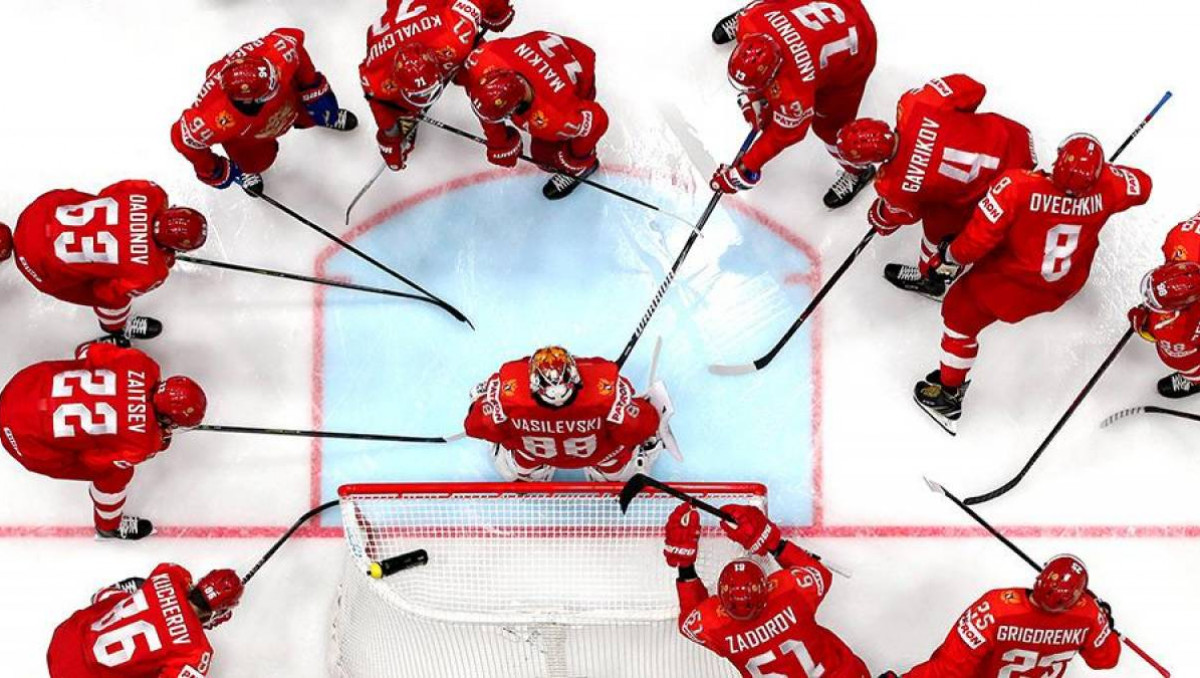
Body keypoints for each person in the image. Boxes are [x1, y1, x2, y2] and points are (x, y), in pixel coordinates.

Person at [914, 134, 1152, 434]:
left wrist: (948, 254)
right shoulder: (1110, 186)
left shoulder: (1017, 187)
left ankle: (948, 394)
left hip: (1015, 286)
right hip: (1067, 281)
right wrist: (1104, 177)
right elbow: (1143, 185)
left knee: (959, 315)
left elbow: (972, 245)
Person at [836, 74, 1037, 299]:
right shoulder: (916, 103)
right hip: (1017, 141)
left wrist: (880, 216)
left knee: (937, 229)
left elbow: (905, 215)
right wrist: (958, 126)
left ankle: (931, 276)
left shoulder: (892, 184)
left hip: (996, 192)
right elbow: (973, 88)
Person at [0, 341, 206, 540]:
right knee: (116, 473)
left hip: (21, 386)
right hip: (24, 442)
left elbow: (86, 351)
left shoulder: (142, 363)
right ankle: (108, 526)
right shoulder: (143, 443)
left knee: (82, 367)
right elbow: (94, 462)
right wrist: (153, 439)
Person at [665, 503, 870, 677]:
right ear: (767, 588)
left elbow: (690, 619)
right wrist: (772, 542)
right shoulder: (791, 595)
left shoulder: (716, 628)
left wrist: (685, 565)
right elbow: (818, 573)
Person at [710, 0, 878, 209]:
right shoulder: (750, 19)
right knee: (763, 9)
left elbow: (783, 135)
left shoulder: (793, 95)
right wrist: (755, 99)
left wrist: (745, 168)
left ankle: (858, 171)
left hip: (859, 45)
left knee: (829, 129)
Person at [5, 180, 206, 341]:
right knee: (107, 296)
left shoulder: (152, 193)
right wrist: (157, 259)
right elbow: (106, 294)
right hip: (38, 265)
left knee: (90, 201)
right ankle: (117, 328)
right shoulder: (151, 272)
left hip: (38, 213)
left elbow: (109, 191)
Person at [171, 27, 357, 197]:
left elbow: (294, 42)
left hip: (288, 101)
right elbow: (182, 138)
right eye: (270, 88)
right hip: (249, 137)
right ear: (246, 100)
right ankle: (246, 169)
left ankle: (325, 115)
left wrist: (311, 86)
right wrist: (214, 169)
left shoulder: (276, 58)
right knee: (255, 162)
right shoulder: (212, 117)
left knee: (318, 110)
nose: (277, 79)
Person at [879, 555, 1120, 678]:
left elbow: (949, 671)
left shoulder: (997, 609)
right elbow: (1105, 659)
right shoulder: (1089, 614)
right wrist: (1104, 624)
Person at [464, 345, 667, 481]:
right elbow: (640, 427)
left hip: (532, 455)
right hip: (601, 456)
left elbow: (476, 426)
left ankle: (528, 475)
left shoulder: (509, 395)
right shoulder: (606, 393)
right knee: (620, 455)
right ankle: (609, 475)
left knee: (518, 459)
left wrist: (482, 403)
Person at [360, 0, 515, 171]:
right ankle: (406, 109)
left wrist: (497, 10)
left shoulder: (454, 34)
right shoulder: (376, 74)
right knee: (393, 101)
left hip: (438, 23)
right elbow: (380, 104)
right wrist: (390, 138)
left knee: (480, 72)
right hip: (414, 27)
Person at [462, 31, 609, 200]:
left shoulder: (555, 118)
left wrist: (576, 159)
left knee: (544, 157)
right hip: (551, 52)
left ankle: (585, 165)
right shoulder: (483, 59)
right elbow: (481, 94)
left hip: (581, 73)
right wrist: (498, 141)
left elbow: (598, 120)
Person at [47, 563, 242, 677]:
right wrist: (199, 624)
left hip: (64, 641)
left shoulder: (169, 573)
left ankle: (106, 594)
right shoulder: (197, 651)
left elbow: (179, 581)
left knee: (137, 595)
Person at [1128, 261, 1200, 398]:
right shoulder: (1166, 325)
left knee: (1193, 370)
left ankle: (1195, 380)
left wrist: (1137, 318)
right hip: (1190, 354)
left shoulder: (1163, 325)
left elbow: (1143, 327)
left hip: (1186, 356)